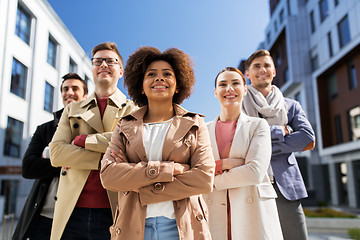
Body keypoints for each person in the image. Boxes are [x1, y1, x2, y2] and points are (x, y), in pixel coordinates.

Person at [100, 46, 215, 240]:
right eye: (151, 74)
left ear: (178, 84)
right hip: (133, 226)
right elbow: (109, 176)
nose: (159, 78)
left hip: (182, 227)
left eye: (167, 74)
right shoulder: (124, 125)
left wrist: (135, 180)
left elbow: (204, 178)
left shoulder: (195, 124)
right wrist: (169, 170)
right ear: (142, 86)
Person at [49, 42, 137, 240]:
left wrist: (82, 140)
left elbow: (131, 146)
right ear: (92, 68)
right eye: (98, 61)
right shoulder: (72, 110)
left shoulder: (134, 110)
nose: (104, 65)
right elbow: (56, 154)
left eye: (110, 61)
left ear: (121, 71)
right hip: (72, 210)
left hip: (115, 211)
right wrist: (108, 160)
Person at [242, 49, 316, 240]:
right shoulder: (238, 105)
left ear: (274, 71)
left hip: (286, 187)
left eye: (267, 65)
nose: (262, 69)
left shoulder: (291, 105)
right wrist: (280, 131)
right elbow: (239, 139)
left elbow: (307, 137)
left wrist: (260, 145)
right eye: (256, 66)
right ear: (247, 74)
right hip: (250, 185)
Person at [203, 67, 283, 240]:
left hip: (252, 210)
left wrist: (212, 180)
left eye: (235, 83)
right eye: (222, 84)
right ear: (215, 92)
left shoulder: (258, 126)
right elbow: (196, 170)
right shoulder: (202, 130)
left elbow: (254, 172)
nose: (229, 88)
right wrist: (223, 164)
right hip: (213, 209)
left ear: (245, 89)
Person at [13, 73, 88, 240]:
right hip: (44, 218)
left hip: (77, 218)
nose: (69, 92)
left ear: (85, 96)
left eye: (75, 88)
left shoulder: (92, 129)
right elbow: (28, 167)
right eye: (65, 89)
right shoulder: (44, 129)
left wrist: (52, 156)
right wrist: (67, 161)